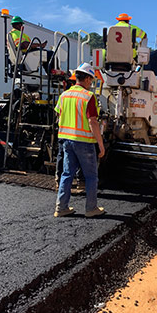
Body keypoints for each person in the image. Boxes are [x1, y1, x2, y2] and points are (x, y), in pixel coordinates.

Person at [54, 63, 105, 218]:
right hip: (84, 142)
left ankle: (61, 207)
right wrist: (101, 144)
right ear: (88, 79)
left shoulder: (64, 95)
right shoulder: (88, 97)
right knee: (91, 176)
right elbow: (93, 122)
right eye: (92, 80)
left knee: (67, 174)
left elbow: (58, 116)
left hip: (66, 140)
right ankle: (91, 209)